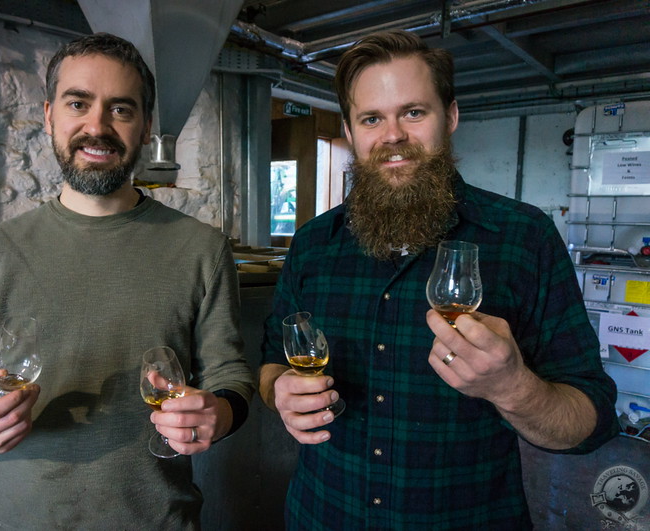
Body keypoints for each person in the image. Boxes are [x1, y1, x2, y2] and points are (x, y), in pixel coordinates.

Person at [259, 30, 618, 530]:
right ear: (350, 129)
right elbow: (274, 362)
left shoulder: (523, 236)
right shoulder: (314, 243)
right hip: (321, 515)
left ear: (449, 116)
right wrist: (280, 393)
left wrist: (512, 388)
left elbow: (591, 422)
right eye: (371, 118)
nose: (392, 135)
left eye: (413, 112)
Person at [0, 32, 253, 530]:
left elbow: (231, 378)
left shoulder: (202, 249)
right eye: (79, 103)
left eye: (121, 110)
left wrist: (219, 415)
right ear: (49, 114)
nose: (97, 126)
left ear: (145, 129)